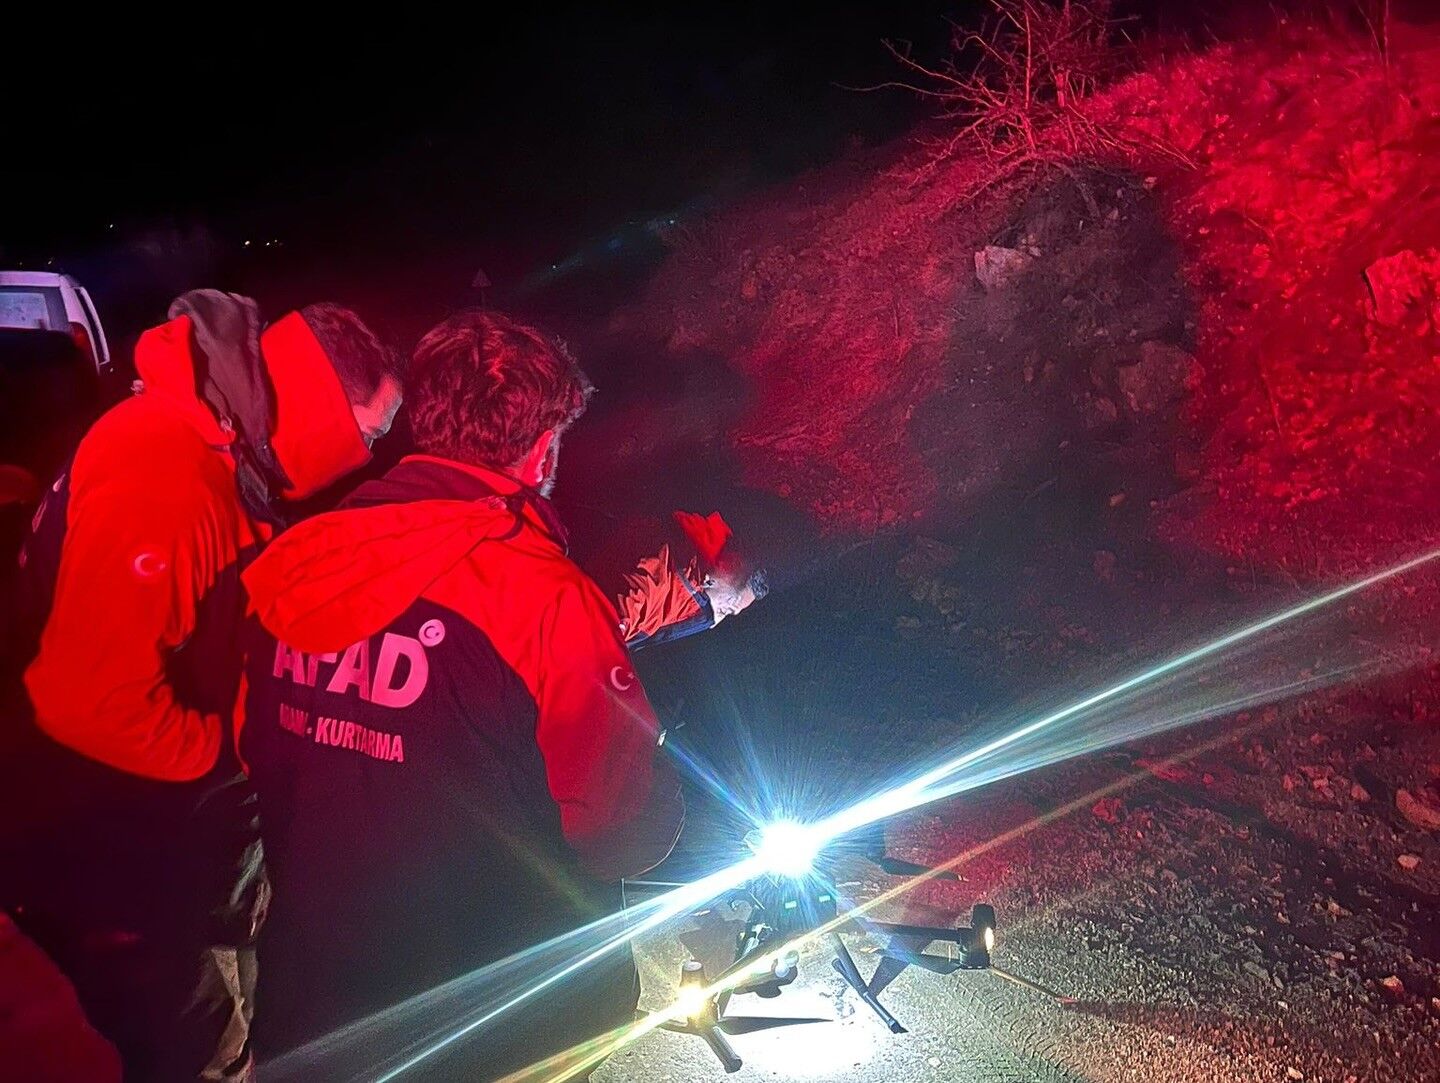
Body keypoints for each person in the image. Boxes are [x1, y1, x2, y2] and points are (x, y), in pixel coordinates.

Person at [239, 309, 683, 1075]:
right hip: (490, 1010)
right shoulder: (543, 598)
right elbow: (613, 824)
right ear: (543, 445)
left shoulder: (297, 558)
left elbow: (246, 759)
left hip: (314, 991)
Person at [1, 289, 402, 1081]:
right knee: (199, 1055)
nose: (370, 454)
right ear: (318, 407)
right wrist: (233, 752)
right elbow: (89, 702)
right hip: (118, 865)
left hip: (140, 841)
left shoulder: (208, 444)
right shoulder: (171, 481)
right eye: (369, 432)